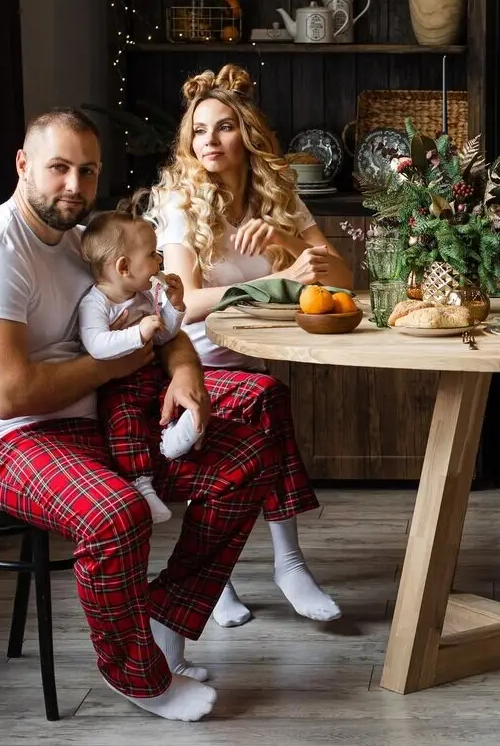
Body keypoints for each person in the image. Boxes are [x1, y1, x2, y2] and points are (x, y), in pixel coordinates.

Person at [0, 108, 281, 721]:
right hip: (5, 443)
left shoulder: (83, 242)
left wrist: (185, 373)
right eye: (58, 168)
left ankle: (164, 620)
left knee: (248, 455)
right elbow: (9, 395)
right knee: (115, 515)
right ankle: (137, 676)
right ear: (23, 165)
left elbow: (155, 320)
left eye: (86, 171)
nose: (74, 185)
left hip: (96, 426)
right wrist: (119, 367)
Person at [134, 63, 353, 627]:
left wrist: (285, 243)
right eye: (200, 129)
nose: (210, 140)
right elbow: (183, 304)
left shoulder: (275, 197)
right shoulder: (180, 205)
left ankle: (228, 573)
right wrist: (272, 283)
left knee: (262, 403)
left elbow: (342, 281)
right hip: (188, 363)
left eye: (224, 126)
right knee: (268, 401)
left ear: (247, 135)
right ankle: (282, 565)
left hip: (247, 359)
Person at [78, 205, 201, 523]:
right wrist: (137, 333)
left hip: (151, 376)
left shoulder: (145, 295)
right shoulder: (95, 304)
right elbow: (97, 346)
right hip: (118, 386)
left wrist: (174, 308)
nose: (159, 262)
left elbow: (163, 338)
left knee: (172, 400)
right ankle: (142, 486)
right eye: (152, 255)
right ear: (123, 267)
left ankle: (174, 437)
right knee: (125, 426)